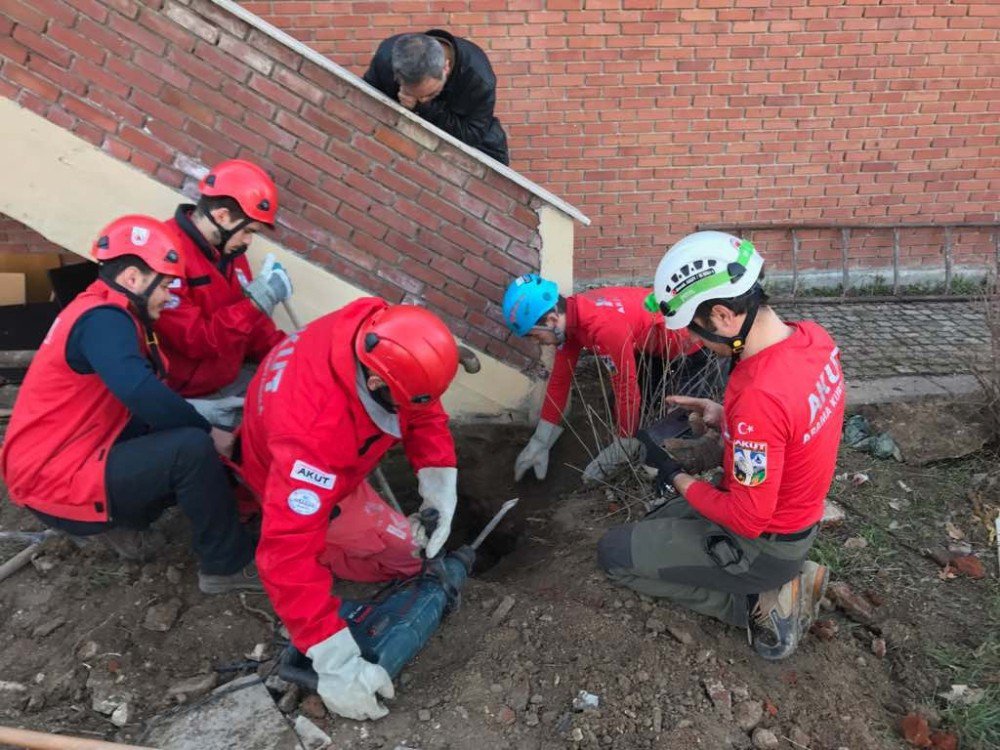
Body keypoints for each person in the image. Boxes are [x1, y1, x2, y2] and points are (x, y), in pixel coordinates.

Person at [596, 231, 844, 660]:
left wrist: (676, 476)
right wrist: (725, 417)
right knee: (658, 522)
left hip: (762, 544)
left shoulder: (759, 396)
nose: (695, 343)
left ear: (726, 316)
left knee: (614, 553)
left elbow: (747, 519)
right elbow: (792, 422)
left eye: (696, 329)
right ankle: (777, 577)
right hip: (793, 520)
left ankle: (759, 603)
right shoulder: (811, 339)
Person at [0, 216, 259, 593]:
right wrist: (209, 431)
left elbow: (142, 396)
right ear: (134, 279)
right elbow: (140, 391)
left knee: (176, 436)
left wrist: (202, 415)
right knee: (191, 449)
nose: (169, 296)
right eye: (166, 284)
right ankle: (226, 565)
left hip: (64, 457)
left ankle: (138, 519)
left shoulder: (101, 313)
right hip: (55, 476)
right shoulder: (104, 319)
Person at [237, 299, 461, 720]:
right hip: (291, 478)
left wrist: (438, 483)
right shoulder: (313, 441)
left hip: (298, 443)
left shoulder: (378, 328)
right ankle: (328, 546)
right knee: (408, 557)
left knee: (404, 547)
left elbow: (422, 405)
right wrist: (333, 660)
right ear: (375, 381)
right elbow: (285, 554)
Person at [501, 274, 713, 484]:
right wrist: (541, 440)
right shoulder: (573, 318)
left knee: (681, 423)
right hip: (651, 347)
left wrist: (623, 443)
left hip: (692, 348)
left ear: (552, 320)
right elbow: (559, 380)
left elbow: (626, 388)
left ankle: (667, 475)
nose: (541, 343)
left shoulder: (602, 327)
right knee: (630, 406)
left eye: (537, 336)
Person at [157, 159, 291, 416]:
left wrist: (291, 353)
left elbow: (253, 328)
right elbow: (195, 339)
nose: (249, 241)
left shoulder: (232, 252)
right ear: (222, 216)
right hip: (183, 396)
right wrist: (255, 302)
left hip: (225, 381)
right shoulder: (166, 252)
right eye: (248, 231)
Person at [363, 30, 510, 165]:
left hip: (479, 153)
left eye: (430, 94)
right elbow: (365, 102)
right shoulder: (387, 58)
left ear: (446, 68)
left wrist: (423, 107)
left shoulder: (479, 79)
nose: (418, 99)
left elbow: (472, 134)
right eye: (408, 94)